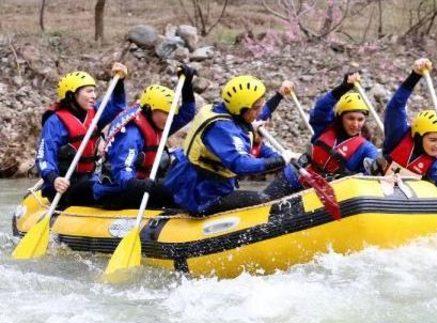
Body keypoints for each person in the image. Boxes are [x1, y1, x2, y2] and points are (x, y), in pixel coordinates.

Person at [163, 75, 298, 216]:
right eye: (257, 108)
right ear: (242, 109)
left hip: (212, 184)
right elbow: (241, 164)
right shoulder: (220, 129)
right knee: (263, 202)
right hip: (198, 192)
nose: (260, 112)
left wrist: (280, 94)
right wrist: (281, 160)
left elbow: (262, 112)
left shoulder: (231, 112)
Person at [92, 65, 197, 209]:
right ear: (149, 110)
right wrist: (145, 186)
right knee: (175, 193)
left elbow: (187, 114)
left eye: (171, 113)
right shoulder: (131, 134)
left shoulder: (158, 122)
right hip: (117, 192)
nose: (170, 118)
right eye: (166, 113)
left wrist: (186, 86)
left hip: (140, 184)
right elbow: (123, 171)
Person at [264, 72, 381, 200]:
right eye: (351, 118)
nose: (355, 124)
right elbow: (321, 107)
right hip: (295, 177)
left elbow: (374, 173)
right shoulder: (324, 127)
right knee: (263, 199)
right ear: (341, 118)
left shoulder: (366, 148)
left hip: (324, 194)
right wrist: (344, 87)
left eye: (360, 119)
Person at [36, 63, 128, 207]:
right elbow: (44, 157)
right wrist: (54, 179)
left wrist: (119, 82)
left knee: (113, 184)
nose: (94, 96)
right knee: (102, 190)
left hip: (90, 178)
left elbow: (117, 106)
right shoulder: (55, 122)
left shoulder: (96, 113)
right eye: (89, 91)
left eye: (94, 91)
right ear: (72, 95)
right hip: (65, 185)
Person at [383, 58, 437, 202]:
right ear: (418, 136)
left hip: (408, 203)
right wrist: (415, 75)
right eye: (432, 139)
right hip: (377, 187)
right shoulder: (398, 136)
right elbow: (395, 107)